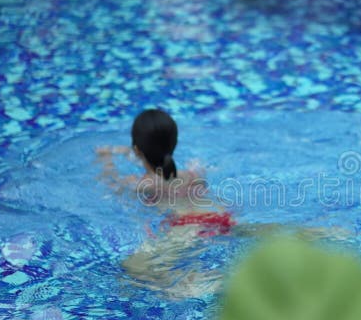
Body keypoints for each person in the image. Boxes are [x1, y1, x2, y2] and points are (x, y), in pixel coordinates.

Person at [97, 109, 347, 300]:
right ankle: (320, 233)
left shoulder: (143, 184)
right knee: (265, 232)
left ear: (137, 150)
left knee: (134, 269)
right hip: (221, 216)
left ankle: (212, 282)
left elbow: (110, 184)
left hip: (189, 227)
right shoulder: (191, 174)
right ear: (174, 143)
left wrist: (106, 157)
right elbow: (198, 172)